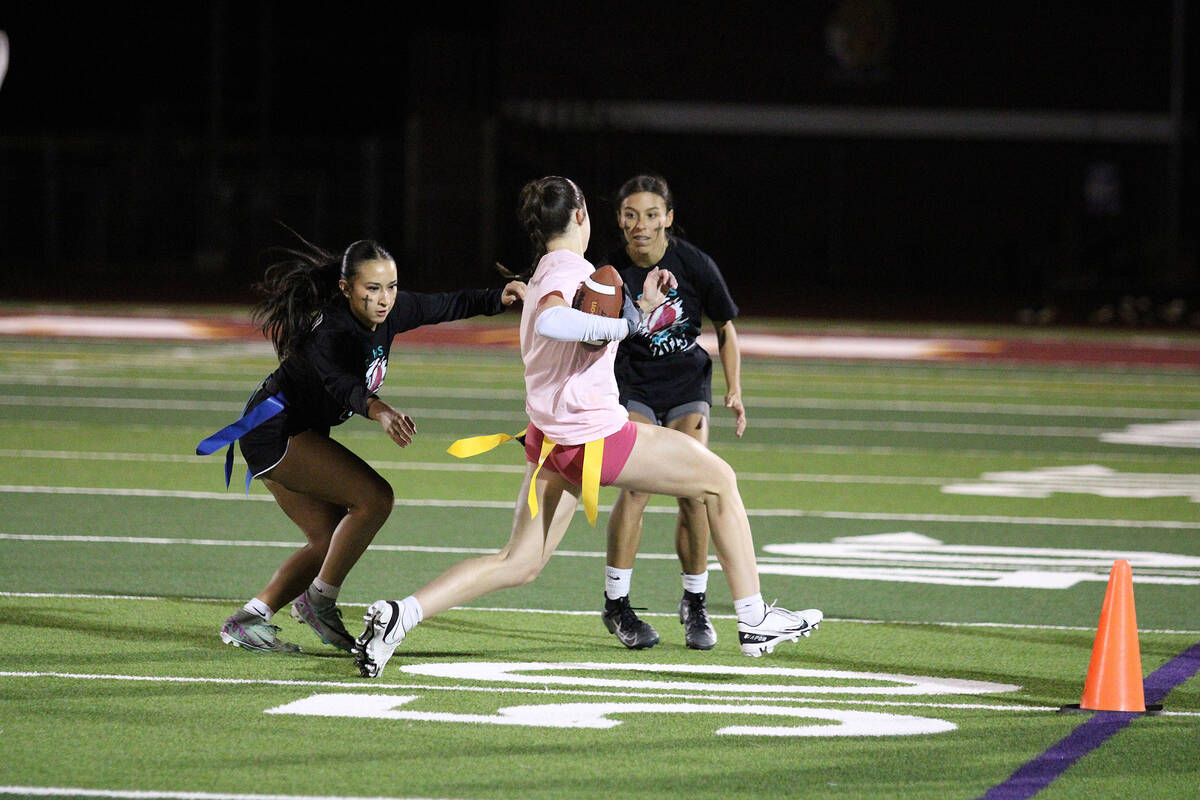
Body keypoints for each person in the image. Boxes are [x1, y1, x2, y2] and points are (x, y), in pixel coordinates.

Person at [353, 176, 820, 678]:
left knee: (519, 562)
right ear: (580, 216)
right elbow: (557, 322)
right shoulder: (571, 269)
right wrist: (622, 325)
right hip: (591, 437)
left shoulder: (548, 271)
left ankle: (400, 616)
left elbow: (579, 341)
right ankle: (753, 619)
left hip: (552, 441)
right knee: (720, 481)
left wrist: (639, 310)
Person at [199, 236, 525, 654]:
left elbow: (444, 304)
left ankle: (249, 620)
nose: (385, 298)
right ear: (345, 288)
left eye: (391, 286)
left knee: (330, 536)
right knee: (374, 498)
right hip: (273, 431)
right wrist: (379, 410)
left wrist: (498, 296)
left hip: (293, 430)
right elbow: (341, 384)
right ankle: (319, 601)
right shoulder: (331, 331)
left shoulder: (390, 310)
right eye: (372, 288)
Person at [599, 174, 746, 652]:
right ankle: (617, 604)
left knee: (696, 491)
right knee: (637, 485)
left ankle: (695, 603)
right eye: (630, 214)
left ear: (668, 218)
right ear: (619, 219)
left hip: (686, 384)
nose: (640, 224)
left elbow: (724, 327)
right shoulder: (607, 273)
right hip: (633, 384)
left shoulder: (695, 264)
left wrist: (735, 390)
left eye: (650, 214)